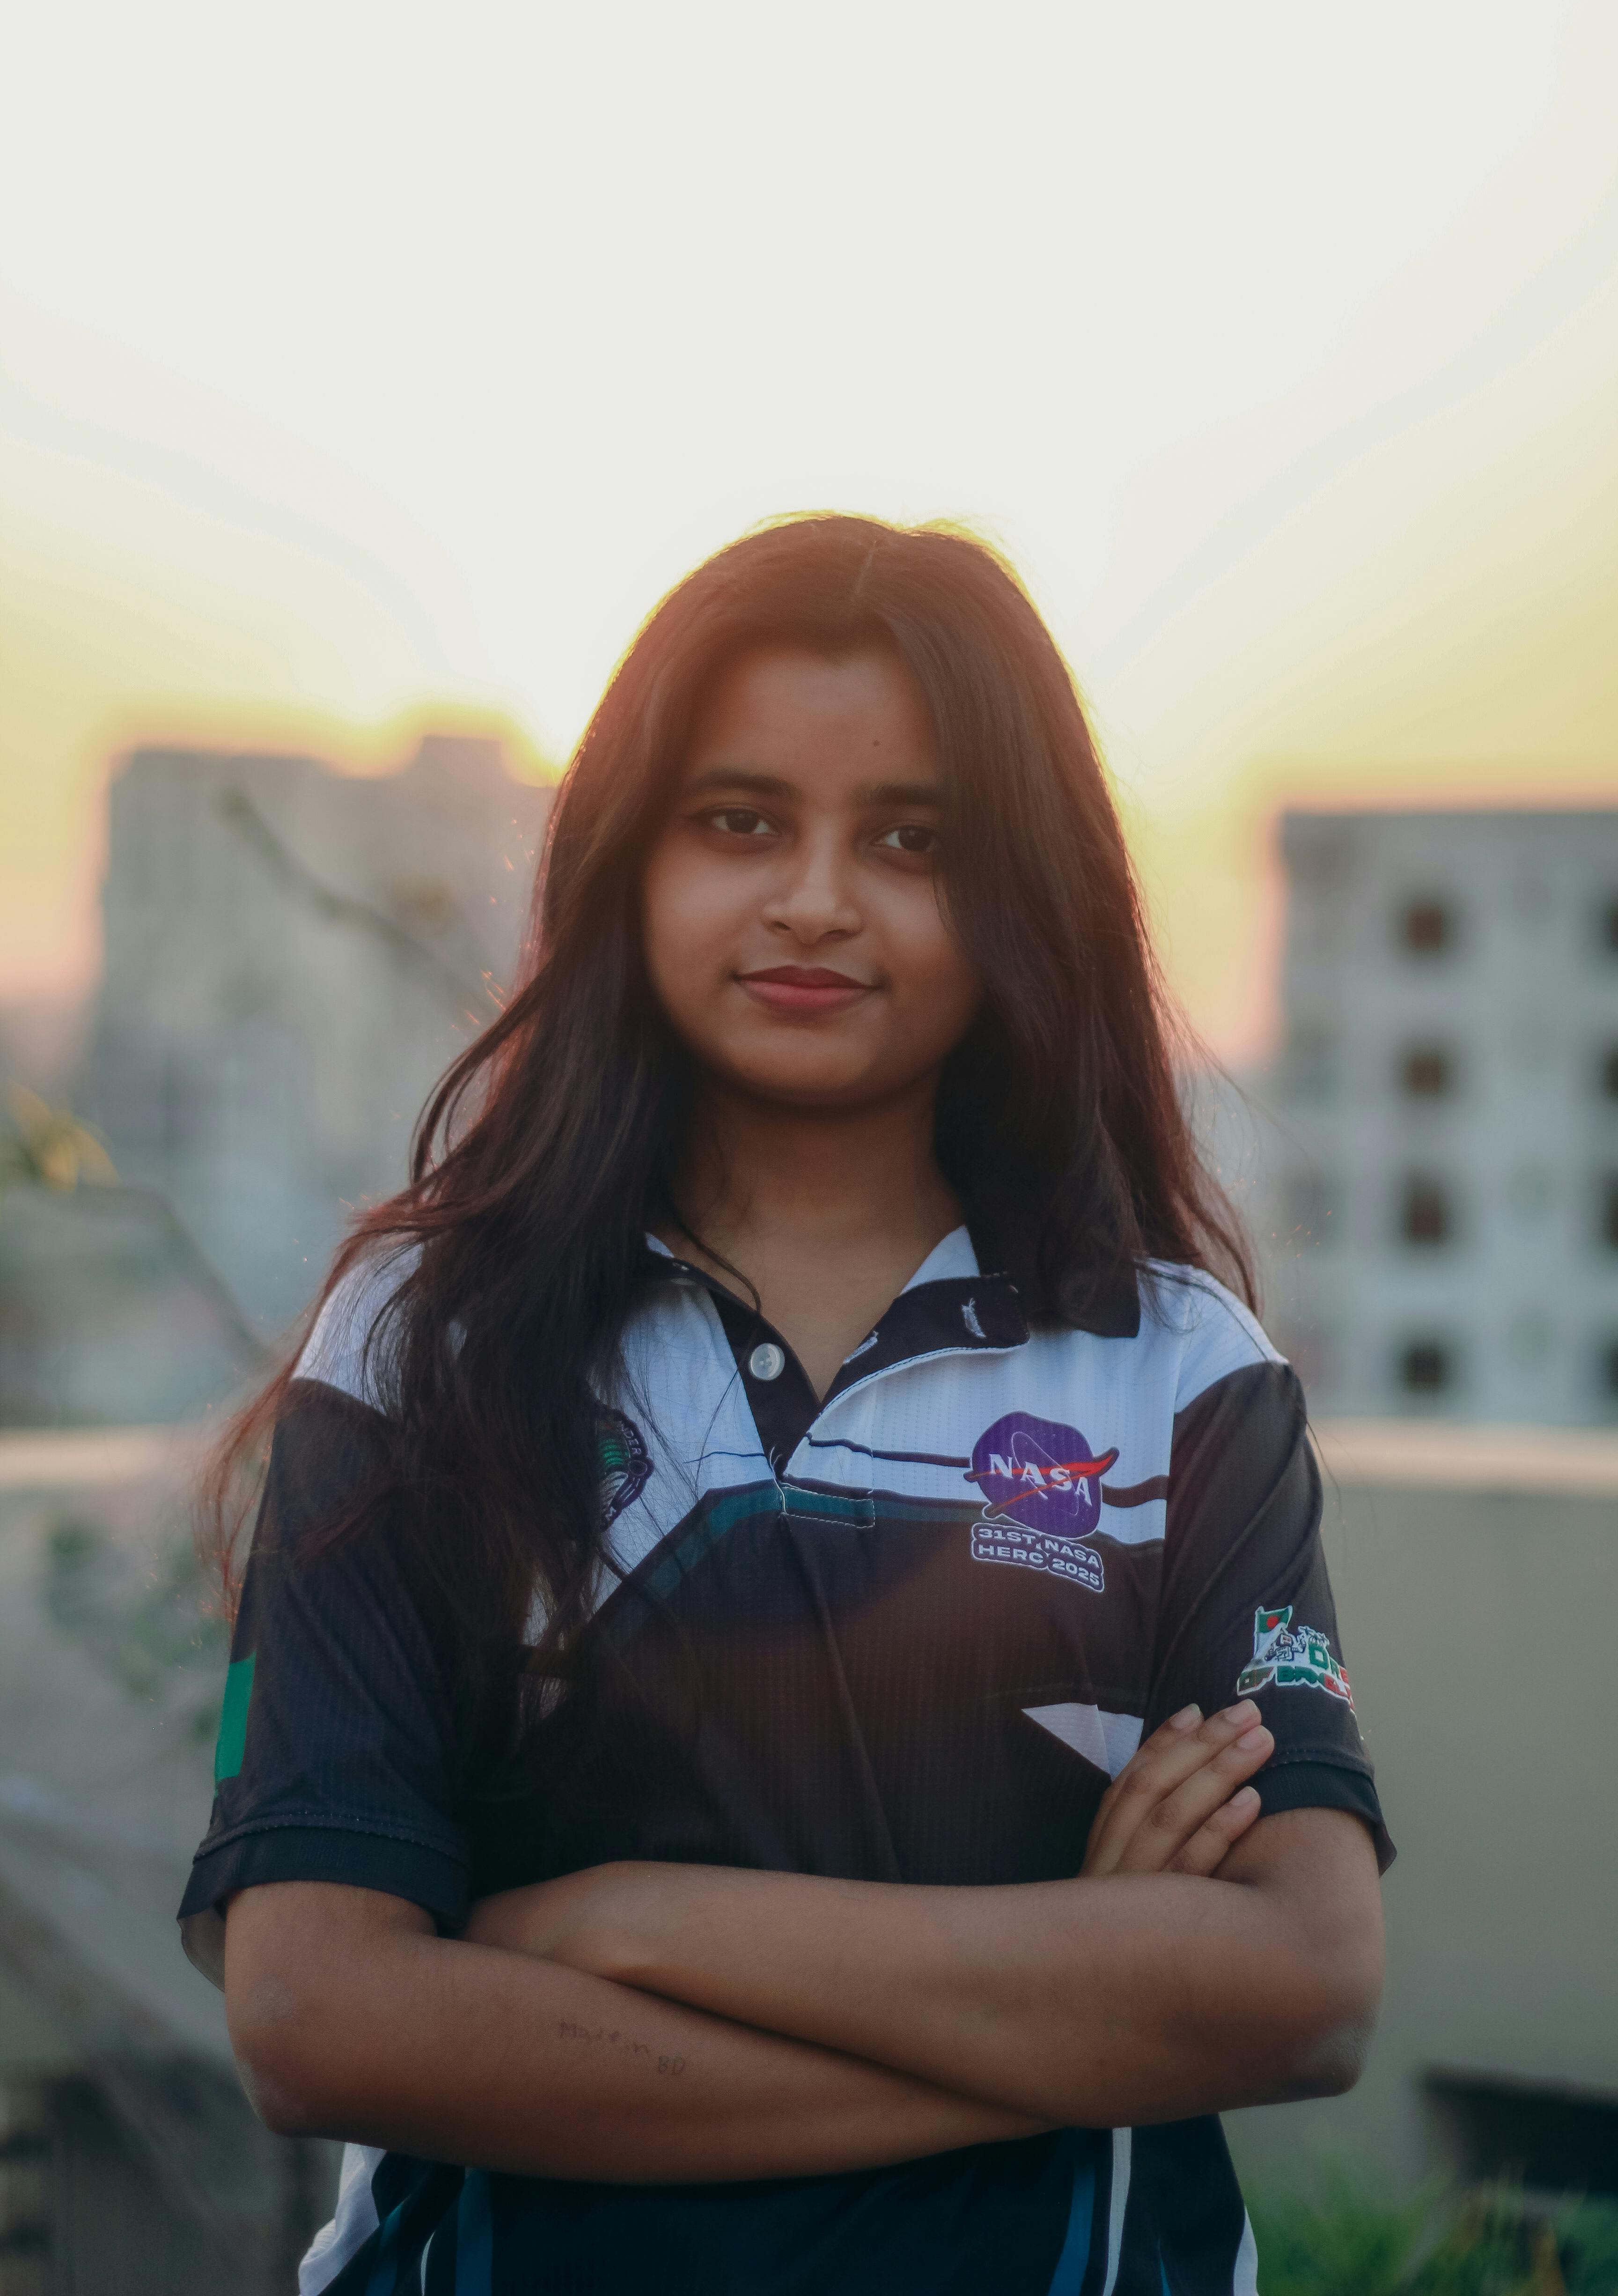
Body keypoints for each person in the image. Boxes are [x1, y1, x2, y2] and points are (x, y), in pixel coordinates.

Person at [181, 516, 1389, 2296]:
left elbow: (1299, 1990)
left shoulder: (1178, 1374)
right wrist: (1069, 1994)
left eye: (912, 840)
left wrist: (625, 1927)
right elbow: (318, 2017)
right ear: (627, 861)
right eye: (740, 821)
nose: (817, 898)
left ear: (1023, 897)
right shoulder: (423, 1341)